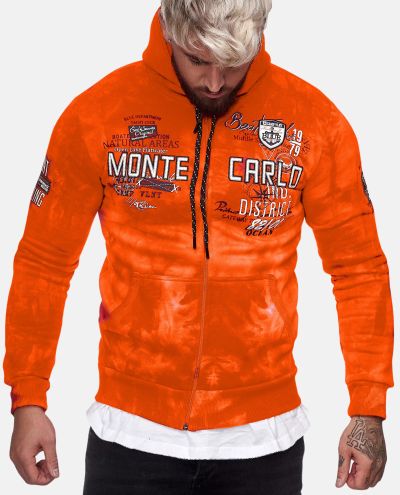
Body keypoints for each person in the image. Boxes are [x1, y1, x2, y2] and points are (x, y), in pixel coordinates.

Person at [3, 1, 394, 493]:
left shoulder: (314, 123)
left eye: (232, 64)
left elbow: (358, 269)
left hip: (264, 440)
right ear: (169, 33)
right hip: (129, 433)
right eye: (197, 59)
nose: (214, 82)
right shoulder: (98, 115)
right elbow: (45, 262)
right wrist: (28, 398)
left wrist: (367, 409)